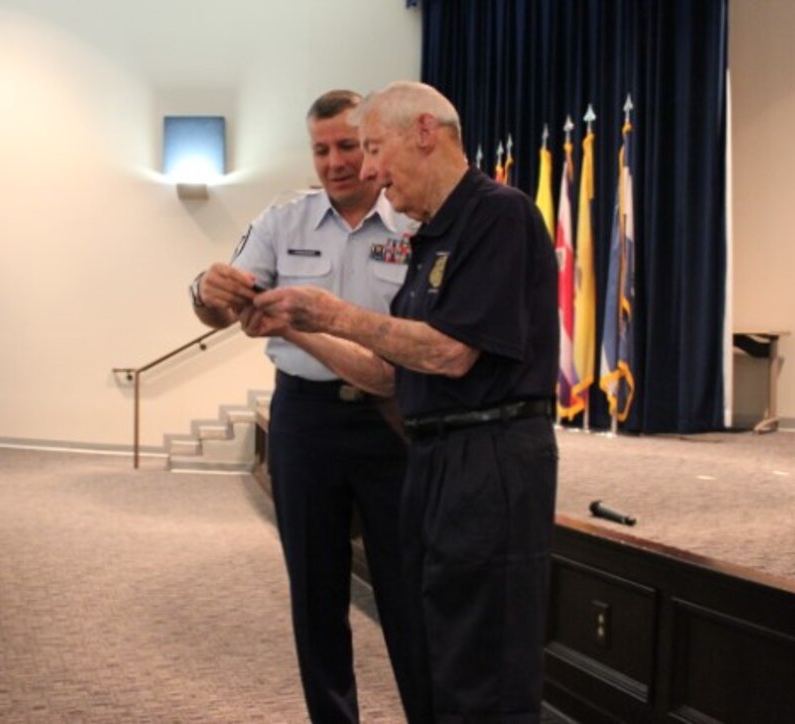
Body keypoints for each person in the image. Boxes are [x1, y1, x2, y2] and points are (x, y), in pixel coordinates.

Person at [246, 80, 560, 723]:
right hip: (434, 455)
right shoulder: (430, 237)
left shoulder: (497, 215)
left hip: (490, 459)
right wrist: (300, 324)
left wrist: (332, 310)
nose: (364, 169)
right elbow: (389, 373)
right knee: (447, 649)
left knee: (484, 663)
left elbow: (452, 353)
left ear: (425, 131)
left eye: (373, 148)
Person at [188, 90, 418, 723]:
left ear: (372, 147)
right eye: (321, 149)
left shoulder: (413, 222)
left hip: (391, 423)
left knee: (407, 592)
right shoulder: (282, 221)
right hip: (306, 420)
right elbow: (219, 305)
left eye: (348, 146)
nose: (335, 162)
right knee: (316, 594)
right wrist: (208, 291)